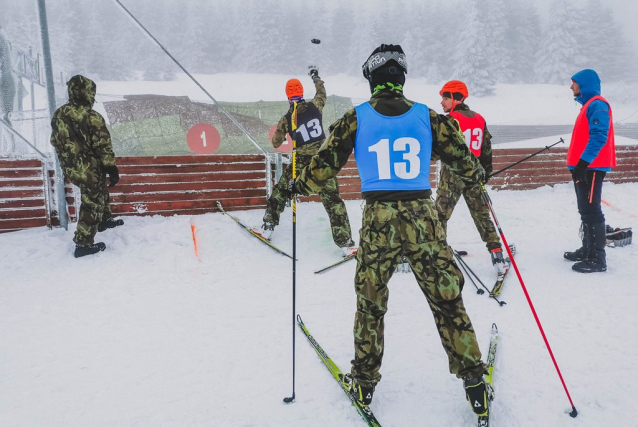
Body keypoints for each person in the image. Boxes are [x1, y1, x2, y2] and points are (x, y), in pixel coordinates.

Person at [293, 44, 489, 418]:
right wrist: (477, 175)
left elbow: (321, 170)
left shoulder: (355, 118)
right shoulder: (430, 117)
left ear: (372, 80)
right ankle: (474, 381)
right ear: (401, 79)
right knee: (446, 299)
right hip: (423, 215)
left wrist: (295, 185)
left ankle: (364, 383)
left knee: (370, 302)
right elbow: (467, 163)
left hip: (378, 218)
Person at [253, 69, 356, 256]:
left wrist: (285, 131)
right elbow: (321, 93)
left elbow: (276, 142)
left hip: (300, 161)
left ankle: (267, 227)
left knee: (282, 191)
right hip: (322, 159)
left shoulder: (286, 118)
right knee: (333, 201)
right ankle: (346, 244)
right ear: (301, 93)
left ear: (287, 96)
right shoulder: (315, 105)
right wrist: (316, 78)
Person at [435, 80, 508, 276]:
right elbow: (486, 149)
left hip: (452, 174)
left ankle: (438, 253)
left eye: (444, 97)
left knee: (440, 215)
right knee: (482, 215)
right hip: (474, 173)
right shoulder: (479, 118)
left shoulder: (449, 120)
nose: (441, 102)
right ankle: (496, 252)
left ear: (453, 98)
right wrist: (486, 172)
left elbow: (438, 149)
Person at [50, 75, 123, 258]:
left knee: (98, 191)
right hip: (89, 167)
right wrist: (111, 168)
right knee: (92, 201)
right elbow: (103, 145)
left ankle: (103, 220)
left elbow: (54, 141)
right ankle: (83, 244)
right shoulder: (92, 117)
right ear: (87, 93)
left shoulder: (59, 113)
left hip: (70, 167)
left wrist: (70, 158)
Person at [564, 69, 616, 273]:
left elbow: (599, 136)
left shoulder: (597, 104)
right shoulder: (588, 106)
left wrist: (584, 163)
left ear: (584, 85)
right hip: (583, 168)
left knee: (592, 211)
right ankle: (587, 250)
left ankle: (597, 258)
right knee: (585, 210)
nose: (571, 87)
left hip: (591, 168)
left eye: (574, 83)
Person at [0, 24, 16, 123]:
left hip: (5, 86)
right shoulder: (3, 39)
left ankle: (10, 138)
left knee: (5, 117)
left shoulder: (1, 40)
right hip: (8, 84)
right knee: (5, 116)